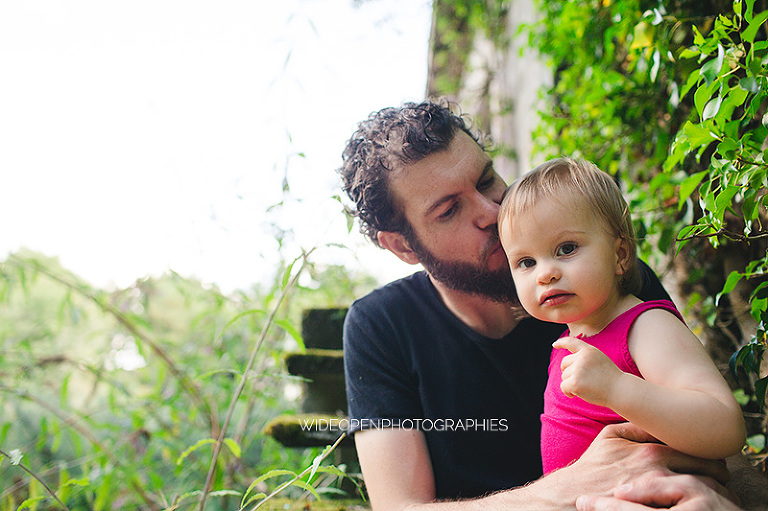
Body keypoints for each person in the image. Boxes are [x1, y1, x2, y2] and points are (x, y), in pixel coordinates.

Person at [337, 98, 735, 510]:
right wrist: (567, 489)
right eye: (450, 210)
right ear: (402, 246)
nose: (491, 212)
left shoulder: (602, 288)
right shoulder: (381, 327)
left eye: (487, 179)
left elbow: (709, 448)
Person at [497, 157, 746, 474]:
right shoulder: (567, 342)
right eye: (526, 262)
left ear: (620, 255)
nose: (545, 274)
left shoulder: (645, 326)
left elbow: (725, 427)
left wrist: (617, 389)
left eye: (566, 248)